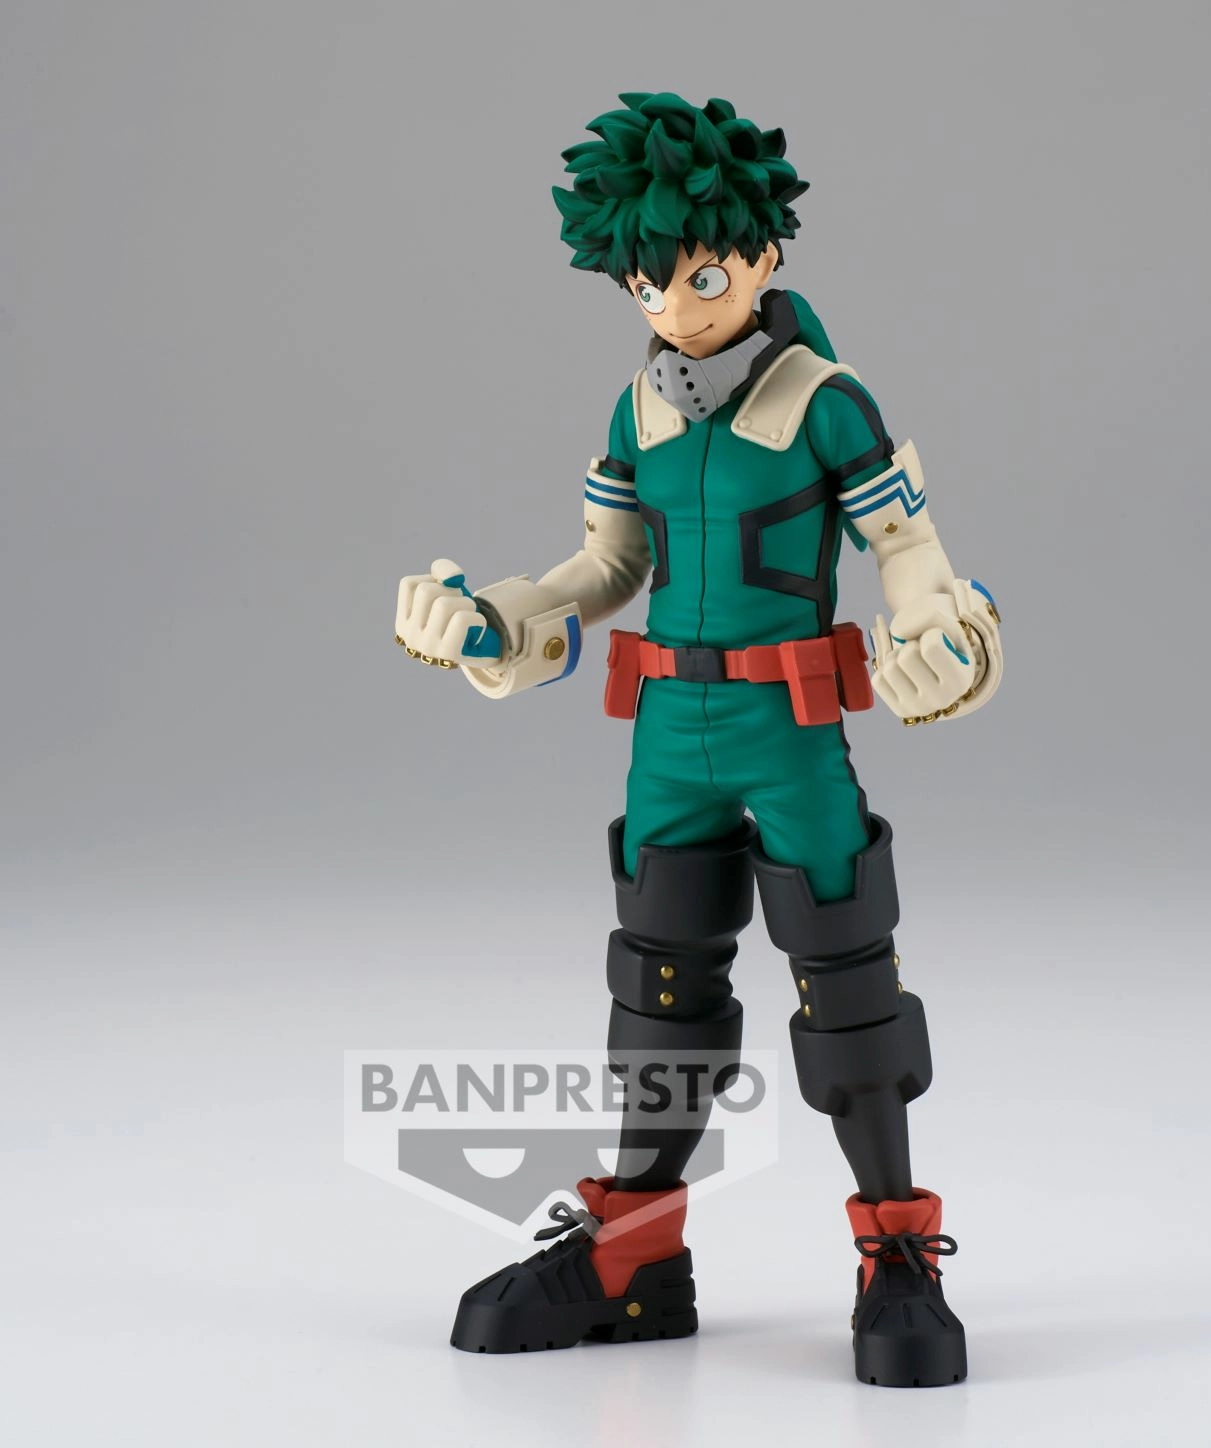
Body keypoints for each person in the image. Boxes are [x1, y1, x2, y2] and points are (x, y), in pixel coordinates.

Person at [393, 91, 1003, 1387]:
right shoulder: (640, 410)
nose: (676, 309)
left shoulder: (826, 401)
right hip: (670, 726)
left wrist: (937, 632)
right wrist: (497, 619)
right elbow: (606, 566)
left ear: (764, 255)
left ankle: (897, 1249)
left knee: (847, 977)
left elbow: (906, 543)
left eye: (704, 277)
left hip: (790, 721)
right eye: (647, 286)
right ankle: (634, 1253)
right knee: (658, 982)